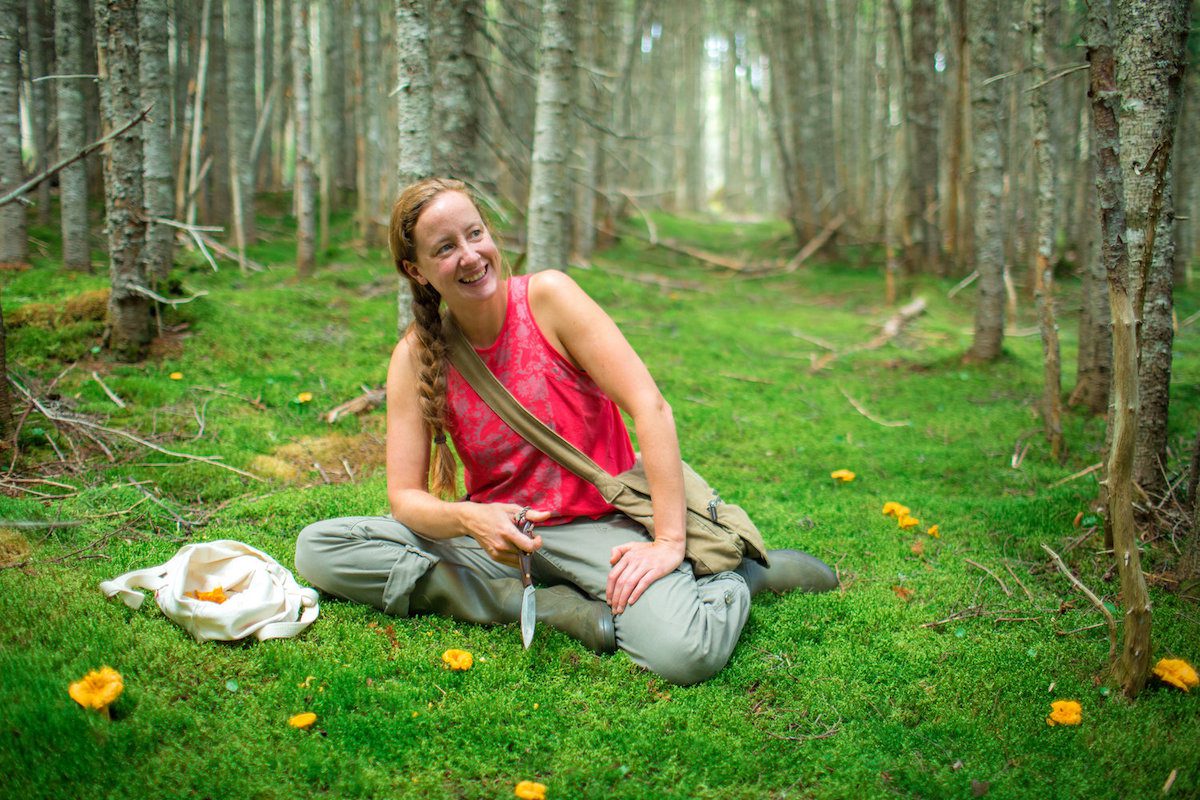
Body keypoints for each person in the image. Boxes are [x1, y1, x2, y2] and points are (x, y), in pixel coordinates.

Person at [295, 177, 836, 685]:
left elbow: (651, 408)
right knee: (319, 549)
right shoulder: (414, 356)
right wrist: (470, 517)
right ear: (416, 270)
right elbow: (404, 500)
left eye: (475, 233)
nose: (470, 256)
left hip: (602, 528)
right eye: (444, 248)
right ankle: (526, 604)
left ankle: (731, 574)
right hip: (503, 542)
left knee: (683, 653)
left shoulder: (548, 299)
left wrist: (670, 542)